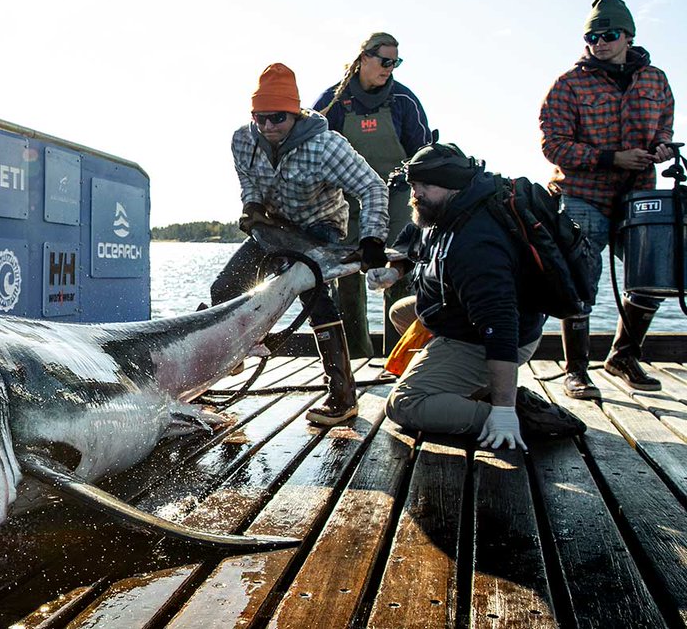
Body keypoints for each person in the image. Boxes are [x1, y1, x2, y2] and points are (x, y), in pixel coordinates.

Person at [210, 63, 389, 426]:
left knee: (314, 297)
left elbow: (373, 187)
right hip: (274, 224)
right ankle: (235, 351)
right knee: (224, 287)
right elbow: (248, 181)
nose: (267, 127)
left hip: (320, 226)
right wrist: (252, 205)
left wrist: (372, 239)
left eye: (276, 118)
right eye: (259, 118)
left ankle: (342, 396)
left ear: (294, 113)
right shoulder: (242, 140)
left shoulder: (326, 147)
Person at [380, 143, 582, 449]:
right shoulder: (446, 208)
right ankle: (472, 385)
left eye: (426, 186)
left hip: (493, 337)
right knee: (401, 312)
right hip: (459, 316)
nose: (416, 194)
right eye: (414, 185)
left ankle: (512, 416)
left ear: (452, 185)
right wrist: (394, 271)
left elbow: (500, 326)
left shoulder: (477, 244)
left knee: (404, 403)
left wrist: (502, 412)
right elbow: (414, 237)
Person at [540, 0, 676, 399]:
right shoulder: (567, 85)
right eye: (592, 36)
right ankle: (577, 370)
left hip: (639, 195)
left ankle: (623, 357)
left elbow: (664, 125)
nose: (599, 42)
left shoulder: (656, 80)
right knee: (582, 280)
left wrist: (663, 147)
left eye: (609, 34)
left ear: (628, 36)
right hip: (582, 194)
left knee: (654, 275)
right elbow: (554, 146)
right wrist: (612, 157)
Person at [314, 32, 433, 359]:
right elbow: (312, 151)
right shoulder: (333, 101)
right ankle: (356, 357)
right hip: (346, 199)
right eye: (384, 61)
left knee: (398, 275)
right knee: (348, 280)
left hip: (397, 197)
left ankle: (400, 359)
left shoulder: (404, 101)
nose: (390, 68)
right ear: (363, 58)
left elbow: (423, 154)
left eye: (396, 62)